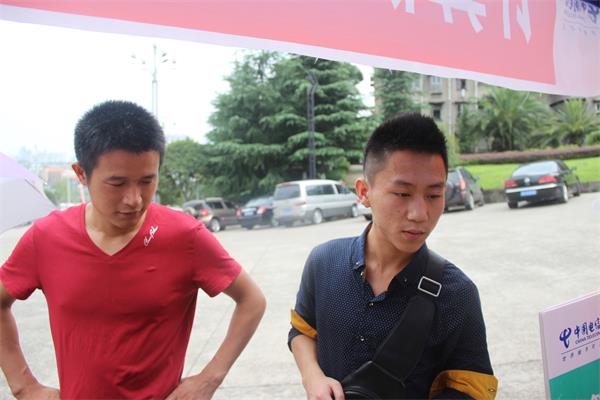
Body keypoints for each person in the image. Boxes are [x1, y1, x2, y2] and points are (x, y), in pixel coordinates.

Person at [0, 100, 266, 400]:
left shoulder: (184, 236)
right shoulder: (47, 238)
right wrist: (24, 386)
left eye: (147, 181)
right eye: (117, 183)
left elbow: (252, 300)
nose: (134, 199)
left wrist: (209, 378)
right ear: (81, 173)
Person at [289, 114, 498, 399]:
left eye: (433, 196)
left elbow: (470, 389)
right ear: (364, 192)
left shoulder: (457, 293)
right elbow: (302, 331)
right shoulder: (324, 262)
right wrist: (313, 377)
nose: (420, 214)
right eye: (402, 194)